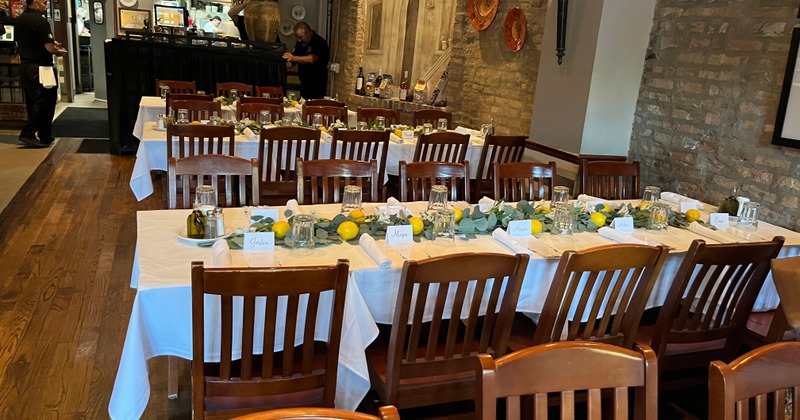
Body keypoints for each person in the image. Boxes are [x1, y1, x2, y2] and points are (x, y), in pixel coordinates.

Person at [15, 0, 66, 148]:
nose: (46, 5)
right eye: (44, 2)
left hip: (25, 66)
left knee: (33, 101)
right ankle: (29, 132)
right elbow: (49, 48)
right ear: (35, 2)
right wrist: (58, 51)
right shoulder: (41, 21)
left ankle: (44, 136)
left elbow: (24, 42)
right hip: (42, 68)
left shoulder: (19, 20)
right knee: (46, 101)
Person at [282, 22, 329, 99]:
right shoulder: (300, 43)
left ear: (308, 33)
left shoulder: (319, 42)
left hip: (317, 83)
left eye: (300, 37)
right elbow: (295, 57)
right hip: (304, 82)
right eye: (297, 37)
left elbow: (312, 59)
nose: (299, 40)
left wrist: (293, 57)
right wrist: (286, 63)